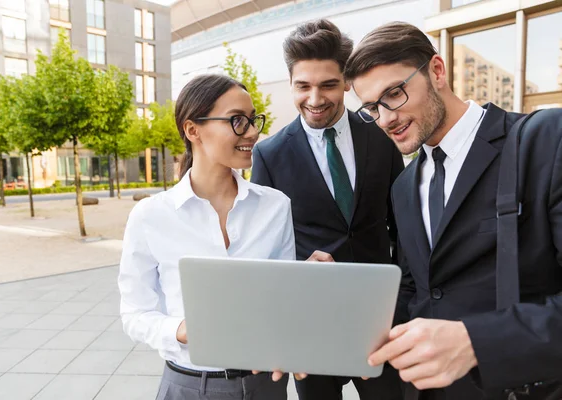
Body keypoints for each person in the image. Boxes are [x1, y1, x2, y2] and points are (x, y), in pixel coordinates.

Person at [343, 21, 562, 400]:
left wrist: (476, 343)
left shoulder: (542, 141)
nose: (386, 119)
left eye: (394, 94)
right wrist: (327, 321)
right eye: (371, 108)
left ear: (437, 71)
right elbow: (416, 293)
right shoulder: (403, 188)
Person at [251, 19, 405, 400]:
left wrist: (405, 303)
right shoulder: (268, 154)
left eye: (328, 85)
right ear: (291, 84)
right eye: (303, 86)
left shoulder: (382, 135)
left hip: (378, 318)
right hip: (311, 323)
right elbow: (265, 247)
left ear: (347, 83)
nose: (315, 98)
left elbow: (401, 226)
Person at [118, 74, 296, 400]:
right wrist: (180, 331)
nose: (253, 132)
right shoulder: (150, 216)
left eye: (253, 119)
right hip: (188, 385)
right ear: (192, 130)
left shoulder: (276, 207)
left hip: (264, 386)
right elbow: (134, 313)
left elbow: (282, 301)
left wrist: (309, 282)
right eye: (237, 121)